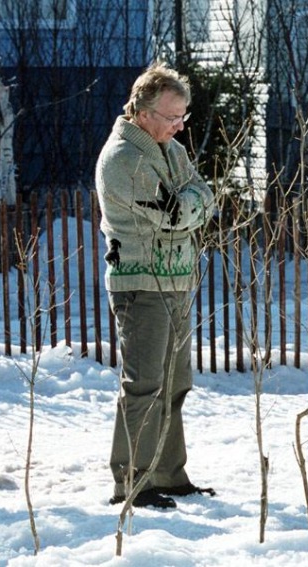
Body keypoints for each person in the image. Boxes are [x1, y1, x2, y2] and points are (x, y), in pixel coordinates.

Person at [96, 62, 216, 509]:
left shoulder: (171, 150)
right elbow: (174, 214)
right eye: (172, 117)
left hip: (177, 280)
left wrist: (193, 203)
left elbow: (205, 196)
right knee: (145, 384)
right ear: (143, 112)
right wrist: (192, 205)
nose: (180, 126)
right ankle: (132, 482)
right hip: (141, 283)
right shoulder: (123, 159)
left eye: (183, 116)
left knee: (175, 382)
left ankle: (168, 472)